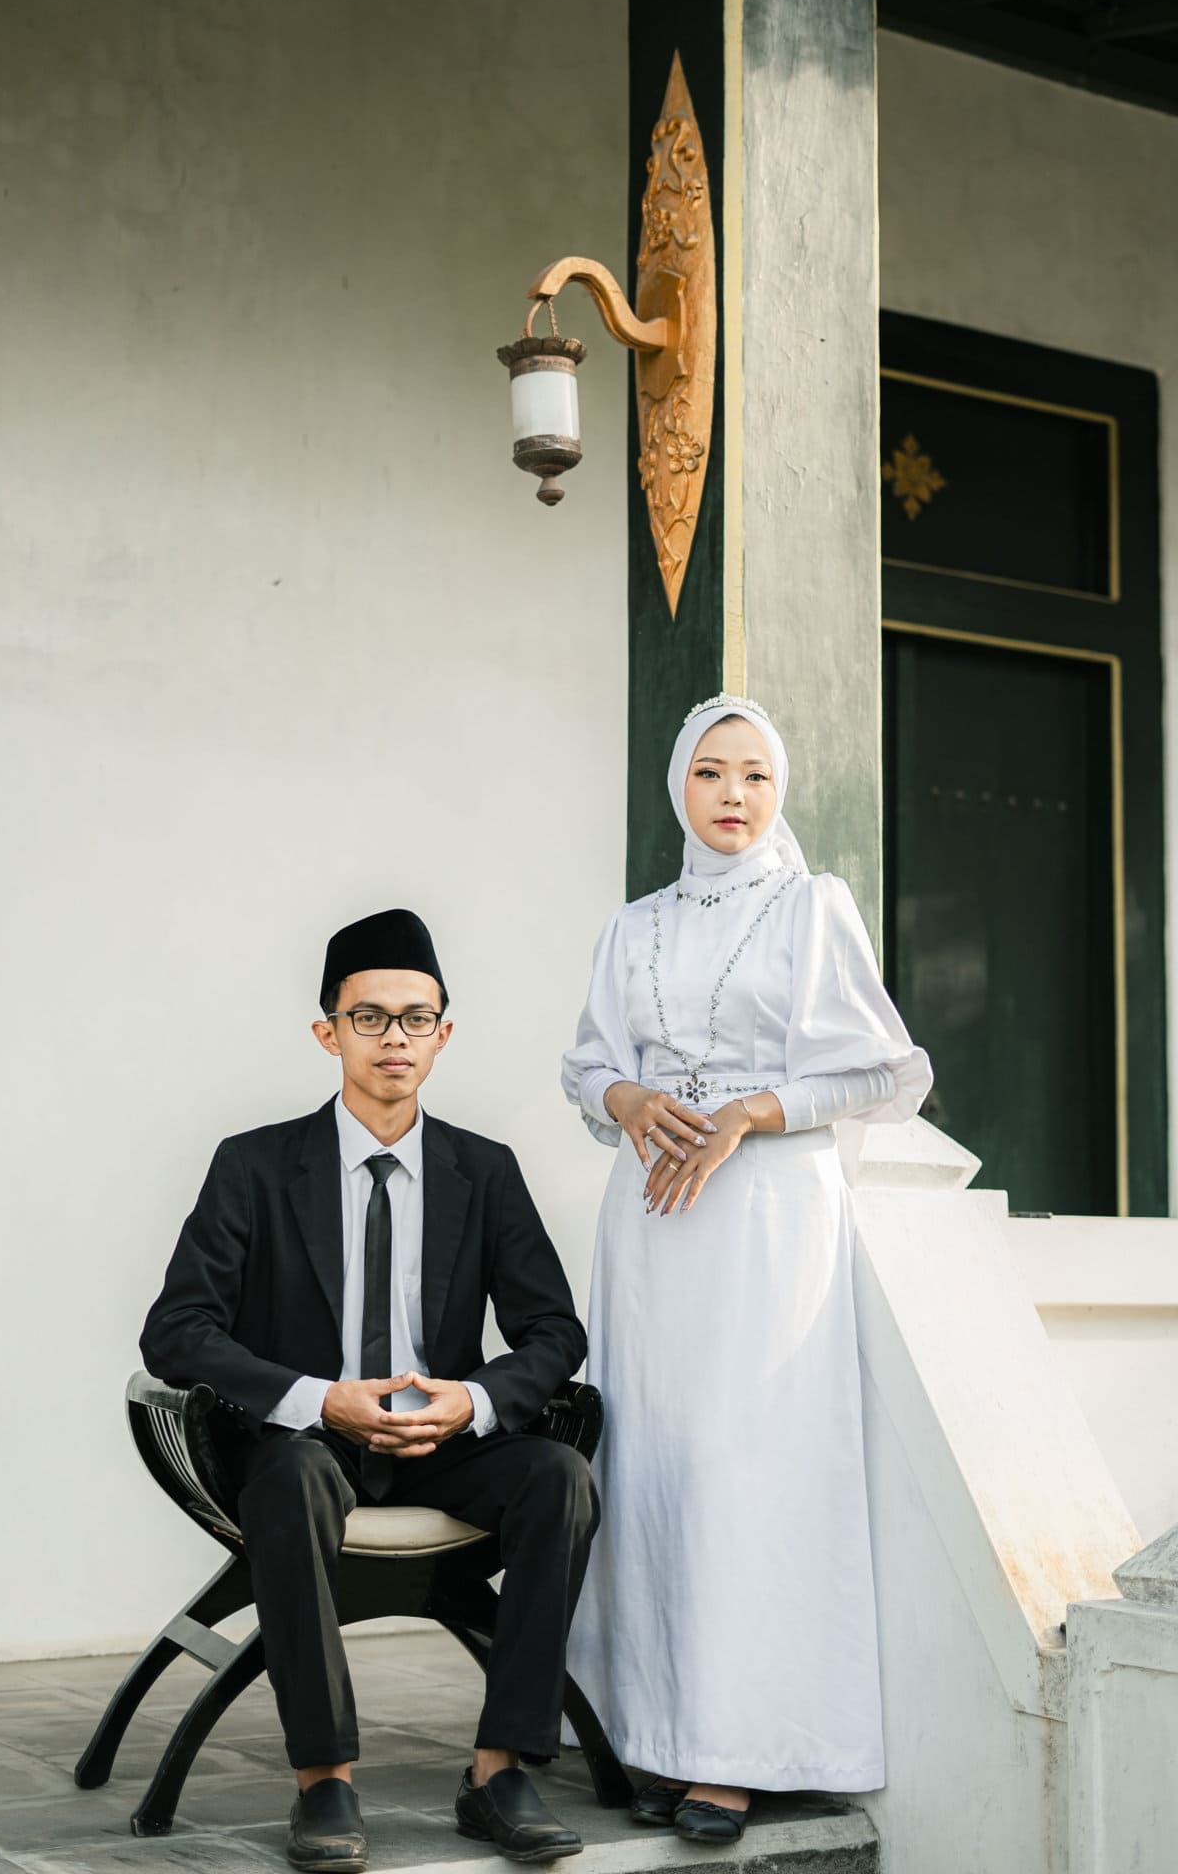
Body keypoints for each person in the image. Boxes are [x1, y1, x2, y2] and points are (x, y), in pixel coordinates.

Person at [142, 908, 595, 1872]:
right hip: (309, 1447)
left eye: (416, 1018)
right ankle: (325, 1779)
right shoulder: (255, 1165)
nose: (396, 1038)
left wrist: (472, 1402)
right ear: (329, 1033)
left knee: (559, 1477)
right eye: (370, 1017)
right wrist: (317, 1398)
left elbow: (555, 1332)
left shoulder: (485, 1171)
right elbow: (177, 1330)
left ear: (443, 1033)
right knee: (294, 1477)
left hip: (444, 1447)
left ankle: (501, 1770)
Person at [561, 696, 931, 1843]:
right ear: (678, 785)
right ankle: (651, 1734)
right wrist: (628, 1097)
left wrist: (747, 1114)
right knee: (653, 1464)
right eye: (711, 772)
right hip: (650, 1226)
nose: (732, 794)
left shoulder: (812, 908)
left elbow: (882, 1072)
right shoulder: (631, 927)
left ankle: (739, 1754)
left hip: (767, 1222)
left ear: (778, 792)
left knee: (747, 1467)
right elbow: (584, 1068)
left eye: (755, 775)